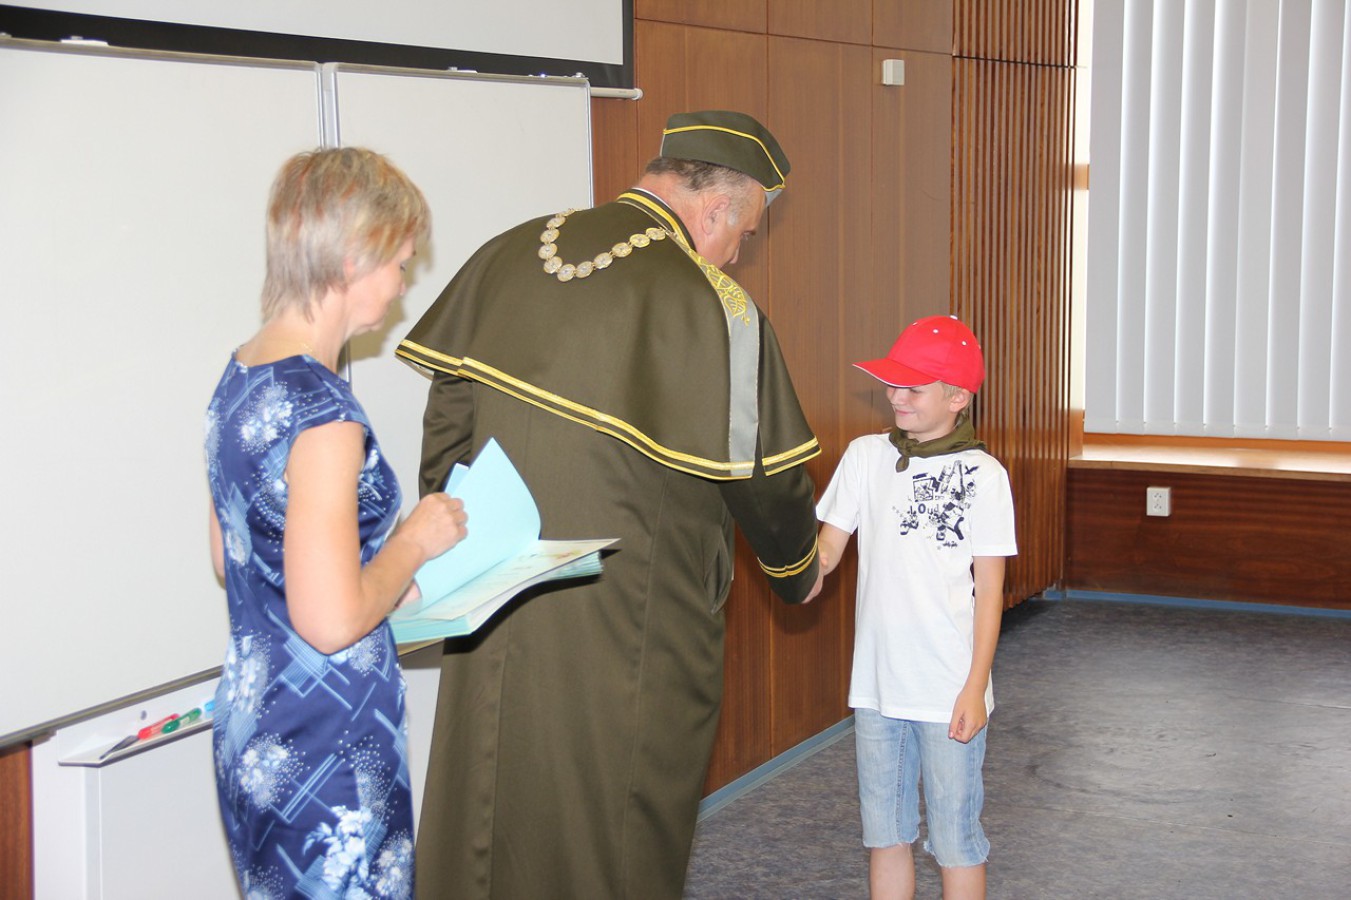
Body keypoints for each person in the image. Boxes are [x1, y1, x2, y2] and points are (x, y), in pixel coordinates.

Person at [397, 110, 823, 898]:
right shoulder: (714, 306)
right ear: (717, 209)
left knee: (486, 801)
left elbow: (447, 422)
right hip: (632, 616)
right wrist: (799, 570)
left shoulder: (513, 248)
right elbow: (765, 481)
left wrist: (460, 545)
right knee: (613, 828)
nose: (737, 254)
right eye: (744, 235)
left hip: (492, 598)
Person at [204, 147, 468, 898]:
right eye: (400, 264)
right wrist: (412, 542)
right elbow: (329, 621)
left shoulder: (241, 373)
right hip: (328, 745)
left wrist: (377, 572)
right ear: (354, 257)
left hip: (256, 724)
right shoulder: (324, 414)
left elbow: (234, 556)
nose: (403, 285)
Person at [814, 316, 1017, 900]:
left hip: (948, 688)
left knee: (955, 841)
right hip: (878, 688)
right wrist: (788, 562)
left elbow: (990, 592)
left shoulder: (984, 476)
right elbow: (825, 552)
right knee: (885, 836)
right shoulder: (865, 456)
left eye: (914, 387)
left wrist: (974, 688)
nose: (896, 396)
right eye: (892, 384)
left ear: (957, 398)